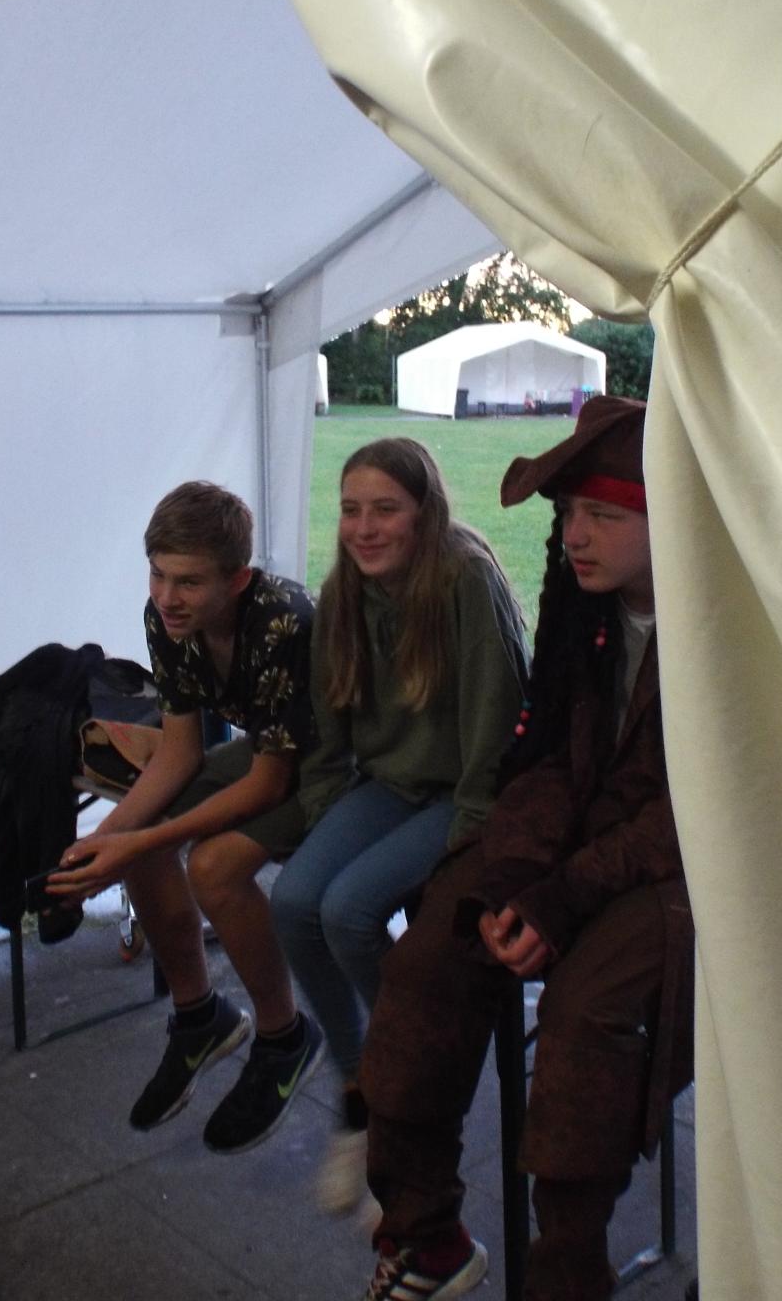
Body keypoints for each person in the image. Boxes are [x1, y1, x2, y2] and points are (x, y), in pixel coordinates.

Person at [355, 397, 693, 1301]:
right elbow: (544, 753)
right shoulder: (583, 606)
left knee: (586, 1015)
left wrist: (564, 897)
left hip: (685, 867)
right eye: (569, 513)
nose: (574, 535)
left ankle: (568, 1273)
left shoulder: (722, 626)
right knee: (431, 956)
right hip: (579, 839)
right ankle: (425, 1233)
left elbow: (698, 812)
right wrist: (513, 876)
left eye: (604, 514)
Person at [270, 437, 527, 1212]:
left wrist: (474, 833)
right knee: (294, 900)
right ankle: (364, 1090)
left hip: (465, 790)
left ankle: (412, 1088)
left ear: (424, 513)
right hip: (389, 785)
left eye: (385, 509)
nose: (364, 527)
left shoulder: (463, 578)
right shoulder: (343, 592)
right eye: (351, 510)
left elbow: (497, 717)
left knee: (349, 911)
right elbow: (327, 731)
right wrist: (326, 818)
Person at [49, 482, 324, 1153]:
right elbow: (178, 753)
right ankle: (199, 1017)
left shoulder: (282, 621)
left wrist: (140, 838)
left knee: (213, 866)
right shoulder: (167, 617)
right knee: (138, 841)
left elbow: (269, 783)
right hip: (272, 752)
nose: (168, 596)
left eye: (189, 582)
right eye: (158, 574)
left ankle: (284, 1036)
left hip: (338, 764)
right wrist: (100, 843)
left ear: (239, 579)